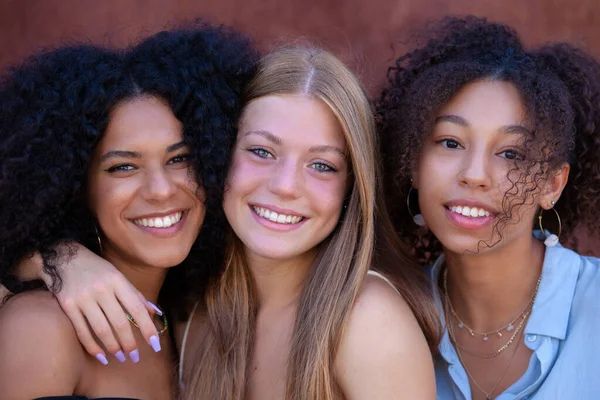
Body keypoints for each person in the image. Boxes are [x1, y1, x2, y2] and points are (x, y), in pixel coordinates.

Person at [9, 46, 439, 399]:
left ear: (353, 186)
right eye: (262, 152)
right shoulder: (194, 312)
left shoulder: (368, 322)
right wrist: (55, 259)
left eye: (323, 165)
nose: (286, 186)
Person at [0, 24, 257, 399]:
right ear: (77, 186)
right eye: (123, 166)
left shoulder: (191, 320)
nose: (161, 189)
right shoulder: (41, 327)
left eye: (180, 158)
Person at [377, 16, 600, 399]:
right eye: (450, 142)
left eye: (511, 153)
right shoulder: (386, 319)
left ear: (553, 184)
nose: (475, 175)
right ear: (412, 163)